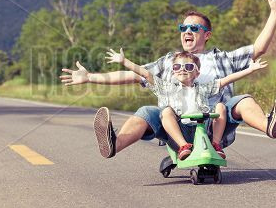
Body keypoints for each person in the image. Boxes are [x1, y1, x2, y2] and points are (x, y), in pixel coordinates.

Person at [60, 0, 276, 159]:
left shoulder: (222, 58)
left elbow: (258, 48)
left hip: (215, 125)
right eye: (184, 27)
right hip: (176, 127)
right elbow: (134, 75)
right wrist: (90, 77)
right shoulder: (169, 62)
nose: (187, 31)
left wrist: (274, 13)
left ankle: (269, 126)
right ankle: (113, 143)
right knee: (146, 111)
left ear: (207, 35)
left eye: (194, 27)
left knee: (243, 101)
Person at [105, 48, 267, 160]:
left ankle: (216, 145)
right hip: (179, 132)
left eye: (188, 66)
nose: (182, 69)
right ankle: (183, 147)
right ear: (174, 72)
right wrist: (124, 61)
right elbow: (145, 73)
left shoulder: (204, 87)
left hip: (204, 130)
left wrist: (250, 70)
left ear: (197, 72)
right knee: (166, 111)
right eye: (177, 66)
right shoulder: (166, 87)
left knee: (220, 107)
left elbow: (227, 80)